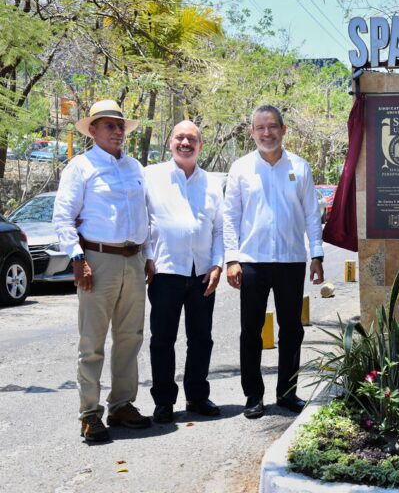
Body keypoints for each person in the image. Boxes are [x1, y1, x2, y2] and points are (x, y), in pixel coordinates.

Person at [53, 99, 153, 442]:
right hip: (97, 260)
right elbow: (63, 216)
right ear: (92, 130)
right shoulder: (80, 167)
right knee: (92, 342)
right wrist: (78, 258)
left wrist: (148, 255)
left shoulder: (135, 167)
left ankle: (122, 404)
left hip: (134, 259)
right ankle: (89, 413)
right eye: (109, 125)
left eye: (120, 125)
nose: (117, 131)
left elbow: (145, 216)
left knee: (130, 338)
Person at [223, 105, 324, 419]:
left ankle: (288, 393)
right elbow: (230, 217)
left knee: (292, 329)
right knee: (250, 330)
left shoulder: (300, 167)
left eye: (272, 127)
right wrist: (231, 259)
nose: (267, 133)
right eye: (260, 128)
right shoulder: (240, 168)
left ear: (283, 129)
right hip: (252, 262)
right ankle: (253, 396)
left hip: (291, 261)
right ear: (252, 132)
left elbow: (311, 215)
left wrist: (316, 256)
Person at [144, 120, 224, 423]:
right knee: (162, 339)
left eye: (192, 139)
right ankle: (164, 401)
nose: (186, 143)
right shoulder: (151, 176)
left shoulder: (212, 182)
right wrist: (147, 257)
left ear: (201, 146)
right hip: (165, 270)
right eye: (180, 138)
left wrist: (217, 264)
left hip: (202, 271)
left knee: (201, 338)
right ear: (170, 142)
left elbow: (219, 229)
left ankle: (197, 396)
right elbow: (142, 221)